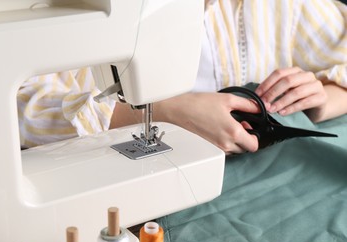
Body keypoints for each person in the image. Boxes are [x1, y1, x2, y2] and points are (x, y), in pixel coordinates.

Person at [18, 0, 347, 154]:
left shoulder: (279, 7)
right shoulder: (71, 11)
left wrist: (322, 100)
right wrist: (165, 113)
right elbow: (10, 108)